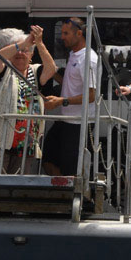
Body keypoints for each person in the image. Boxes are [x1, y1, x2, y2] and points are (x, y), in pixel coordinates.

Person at [0, 25, 58, 174]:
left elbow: (51, 68)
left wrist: (39, 43)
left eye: (26, 51)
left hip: (26, 145)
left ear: (31, 56)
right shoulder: (4, 70)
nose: (21, 53)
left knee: (17, 189)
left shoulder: (35, 72)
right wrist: (23, 44)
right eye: (17, 50)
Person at [42, 17, 101, 177]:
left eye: (66, 33)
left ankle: (69, 197)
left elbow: (92, 95)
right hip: (65, 120)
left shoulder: (89, 59)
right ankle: (60, 193)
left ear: (79, 33)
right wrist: (51, 73)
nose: (62, 37)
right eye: (61, 33)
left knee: (71, 168)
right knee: (47, 156)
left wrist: (62, 101)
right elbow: (70, 84)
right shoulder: (73, 55)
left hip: (79, 123)